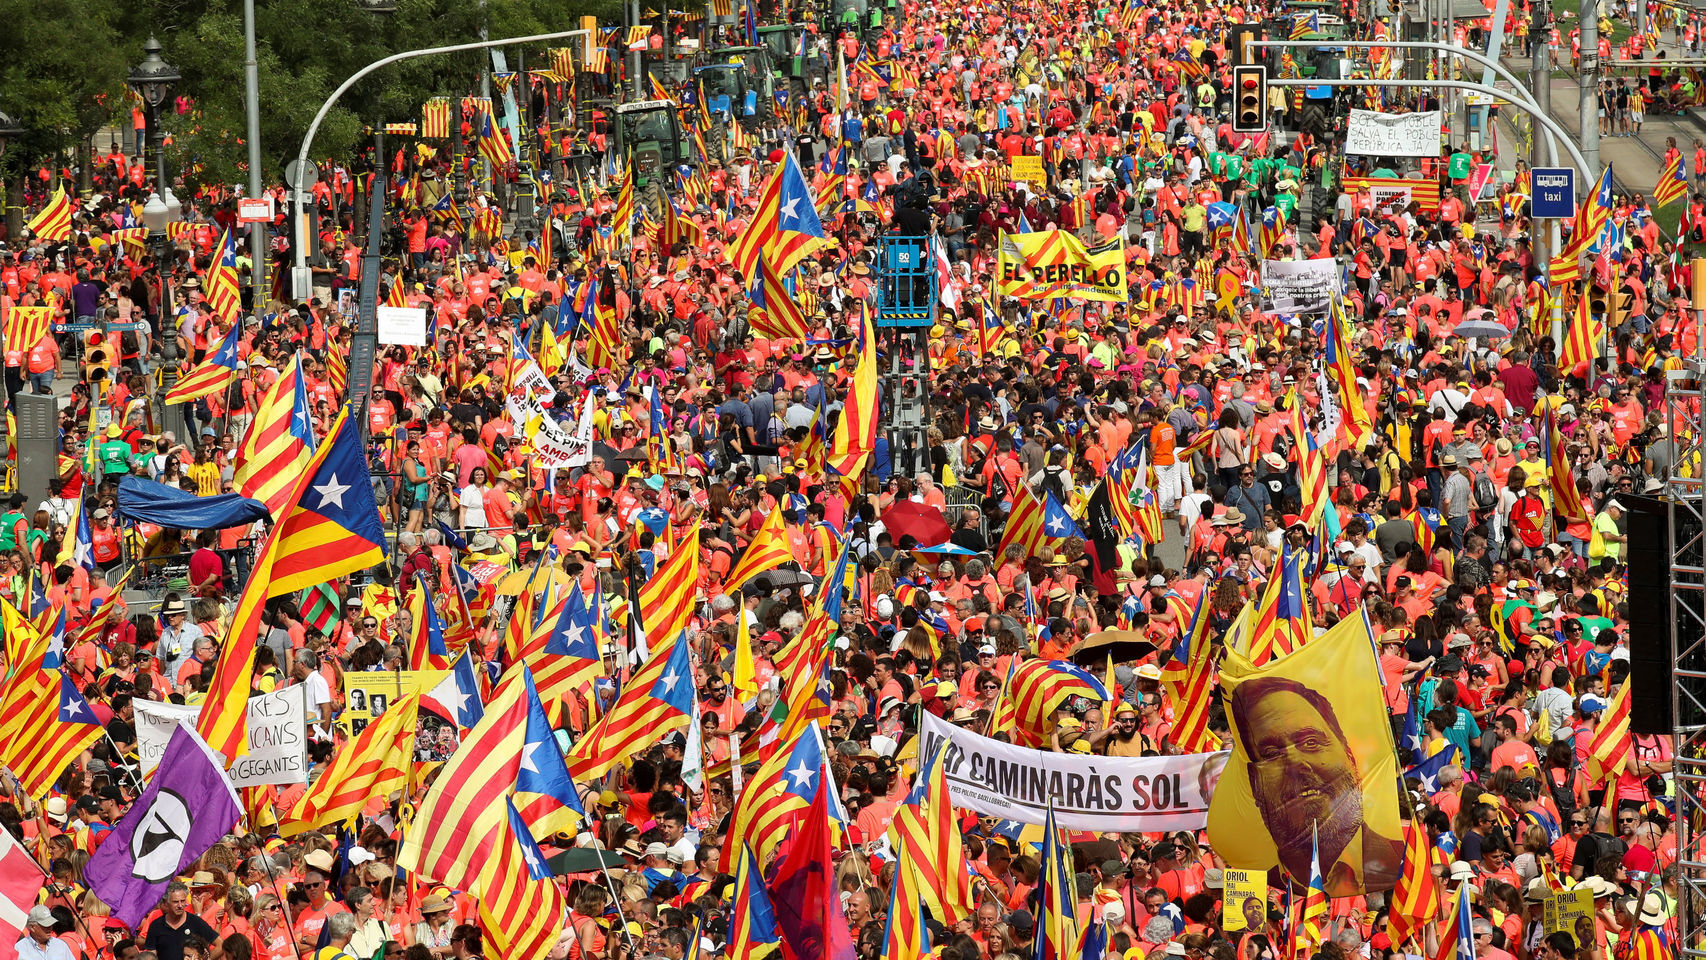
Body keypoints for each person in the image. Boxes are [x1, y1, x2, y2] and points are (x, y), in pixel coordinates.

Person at [1227, 677, 1405, 895]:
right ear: (1254, 782)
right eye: (1272, 753)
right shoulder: (1255, 882)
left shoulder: (1405, 865)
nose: (1296, 764)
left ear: (1349, 755)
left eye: (1310, 742)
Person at [144, 882, 220, 960]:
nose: (180, 905)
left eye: (183, 901)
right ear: (166, 903)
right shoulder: (156, 925)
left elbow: (220, 944)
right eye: (176, 902)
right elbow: (151, 956)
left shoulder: (196, 922)